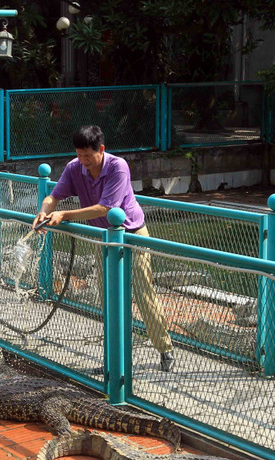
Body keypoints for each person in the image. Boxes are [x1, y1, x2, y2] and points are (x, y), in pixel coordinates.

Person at [33, 125, 176, 372]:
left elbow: (105, 208)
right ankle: (116, 357)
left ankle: (165, 349)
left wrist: (65, 214)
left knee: (143, 293)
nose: (83, 161)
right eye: (79, 155)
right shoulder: (74, 167)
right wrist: (43, 212)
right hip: (104, 238)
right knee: (109, 297)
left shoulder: (118, 166)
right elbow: (53, 196)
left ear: (101, 149)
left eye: (88, 155)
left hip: (132, 236)